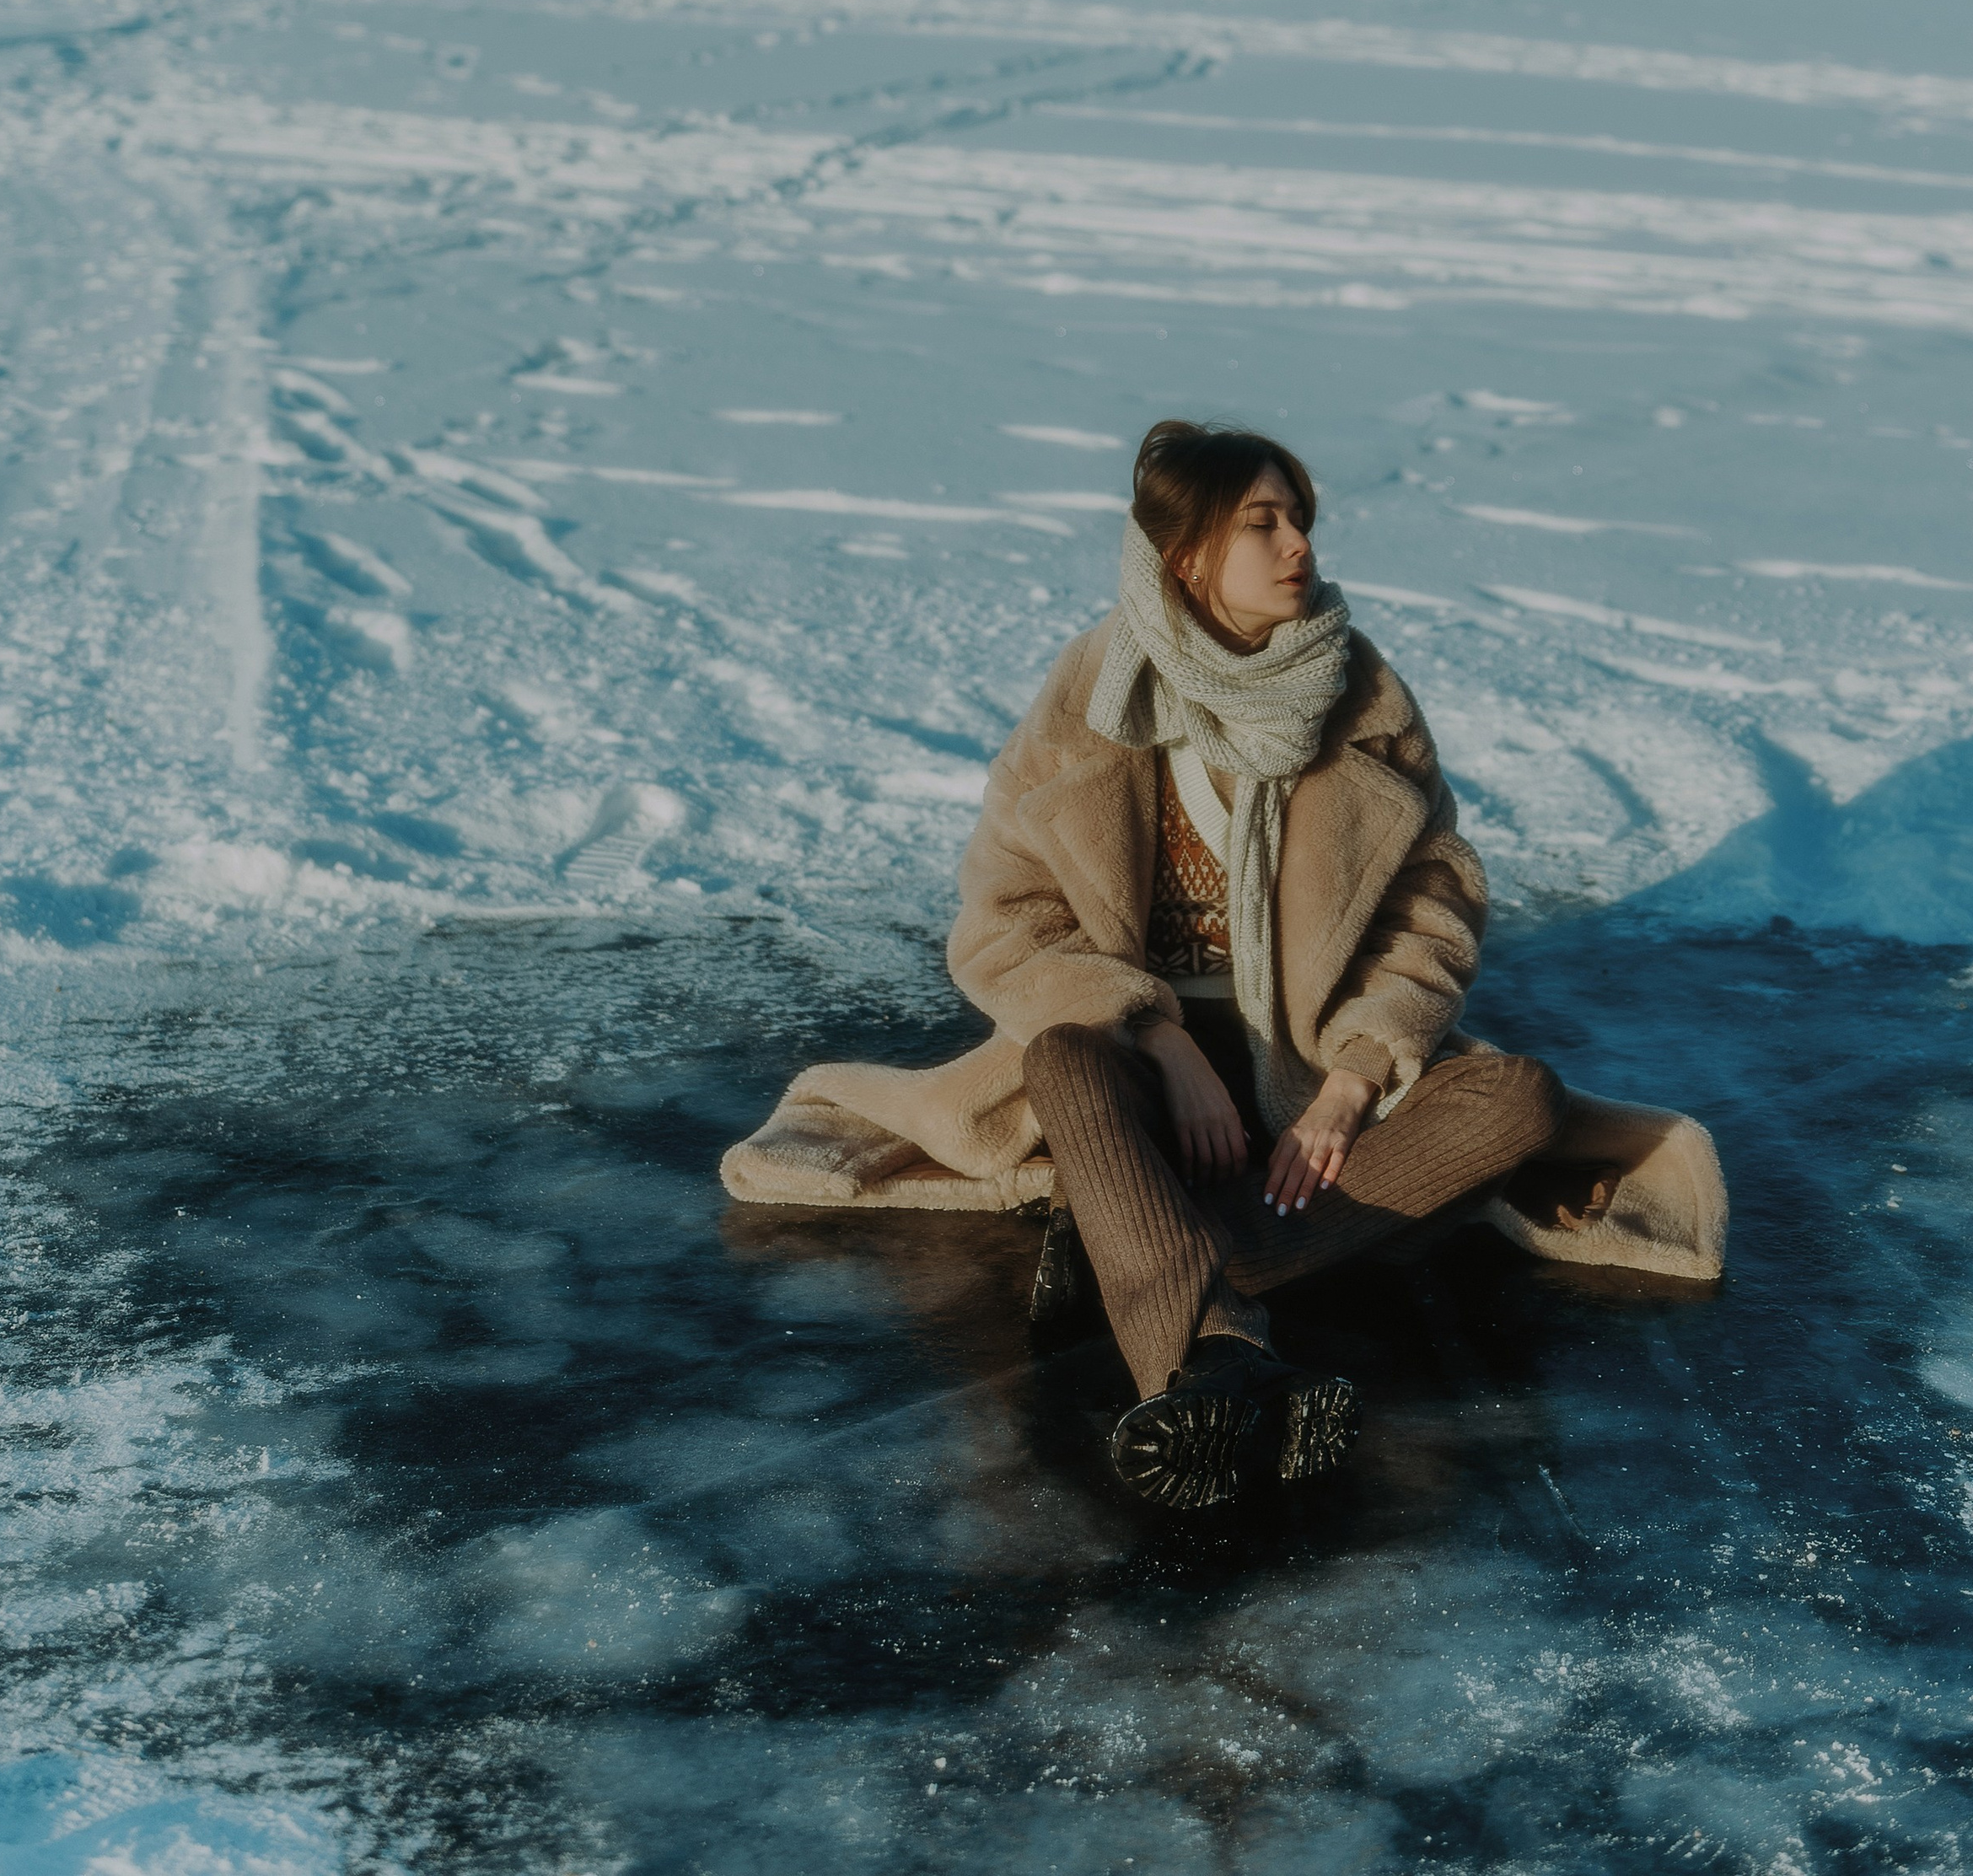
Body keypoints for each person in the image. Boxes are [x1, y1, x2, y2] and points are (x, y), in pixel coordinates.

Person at [722, 417, 1728, 1511]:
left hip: (1302, 1060)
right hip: (1134, 1061)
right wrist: (1158, 1035)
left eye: (1299, 516)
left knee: (1520, 1098)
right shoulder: (1093, 696)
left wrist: (1351, 1074)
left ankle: (1150, 1257)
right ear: (1187, 556)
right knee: (1064, 1055)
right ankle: (1214, 1348)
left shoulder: (1361, 694)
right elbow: (1002, 917)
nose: (1299, 542)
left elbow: (1434, 903)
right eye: (1264, 521)